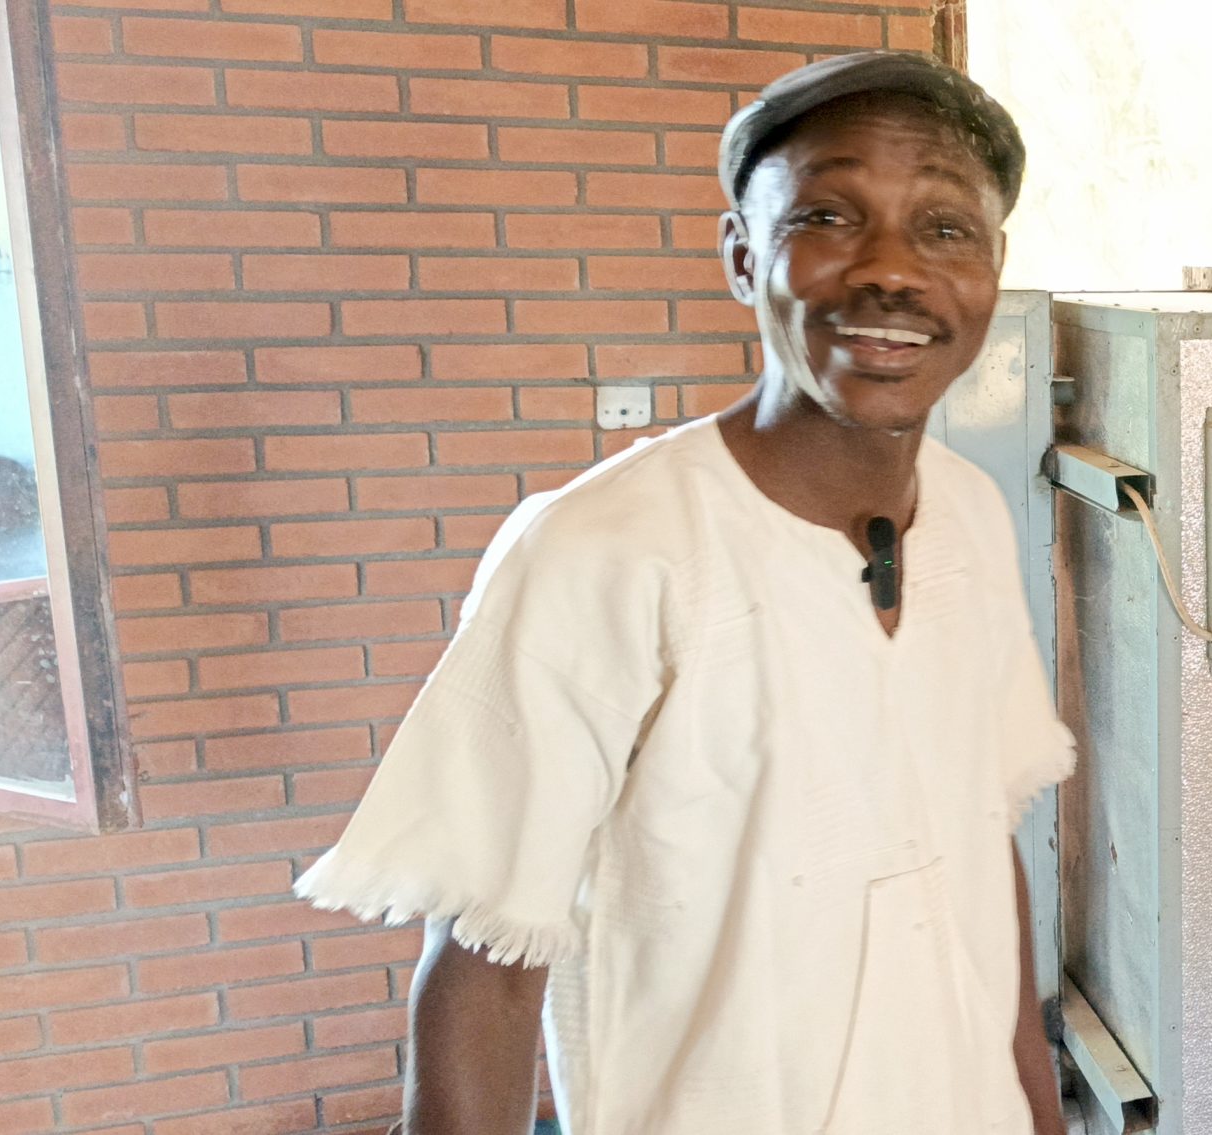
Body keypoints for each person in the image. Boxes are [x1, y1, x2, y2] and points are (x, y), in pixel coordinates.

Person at [295, 52, 1073, 1135]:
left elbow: (981, 839)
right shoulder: (605, 549)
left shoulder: (975, 516)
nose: (891, 271)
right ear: (743, 257)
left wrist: (1034, 1110)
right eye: (829, 218)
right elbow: (488, 969)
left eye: (944, 229)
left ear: (990, 272)